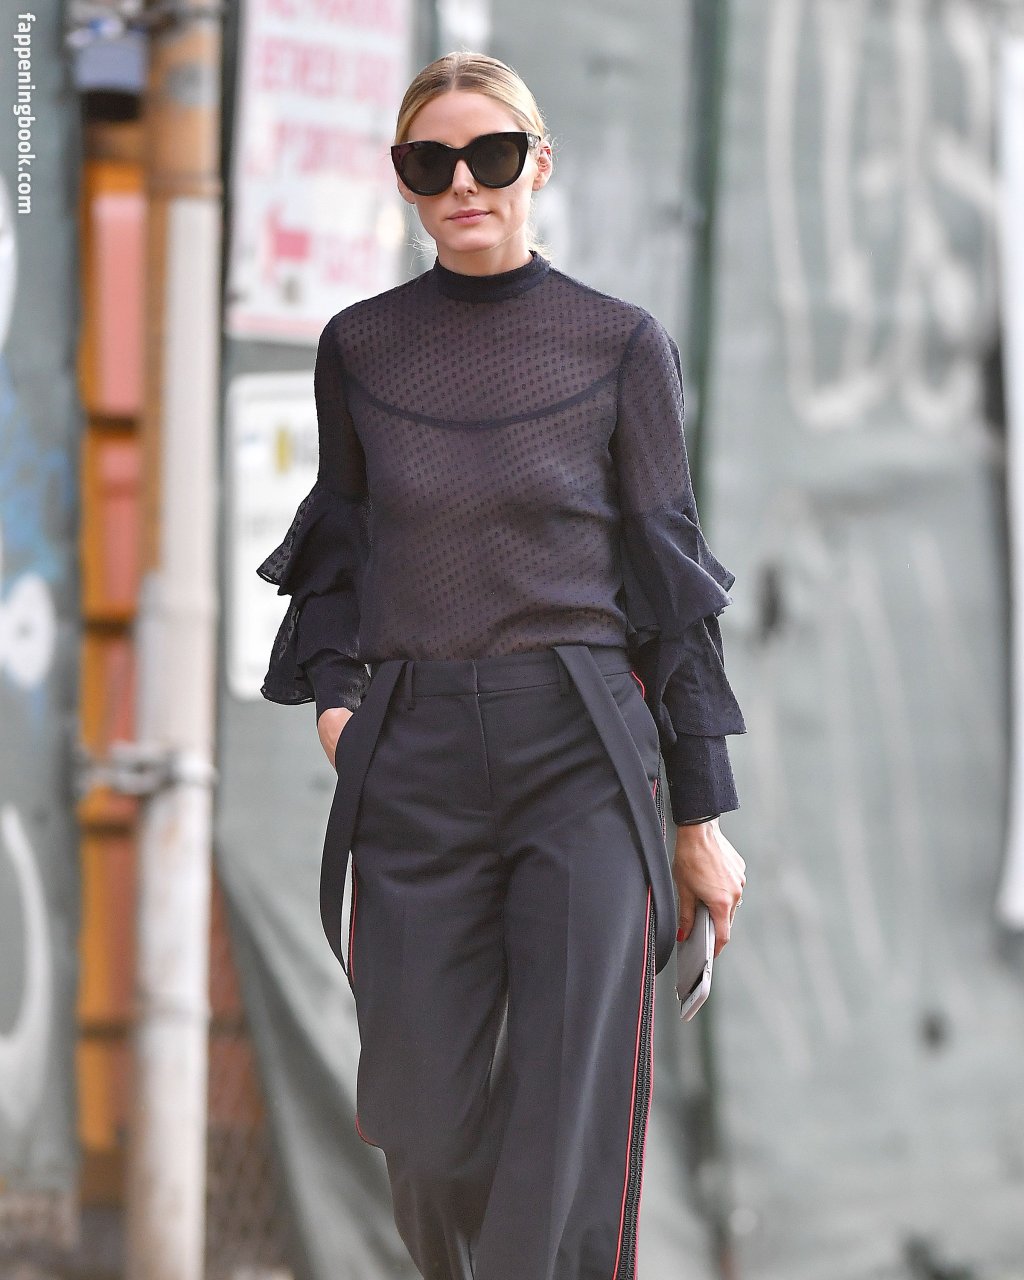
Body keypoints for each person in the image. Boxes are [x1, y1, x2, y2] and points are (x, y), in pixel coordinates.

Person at [258, 50, 747, 1280]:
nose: (463, 183)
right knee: (420, 1129)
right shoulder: (361, 347)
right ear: (404, 182)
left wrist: (698, 816)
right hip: (414, 756)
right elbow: (341, 548)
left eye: (490, 154)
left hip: (581, 751)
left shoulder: (619, 344)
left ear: (539, 164)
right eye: (431, 163)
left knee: (563, 1124)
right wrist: (337, 704)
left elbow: (670, 591)